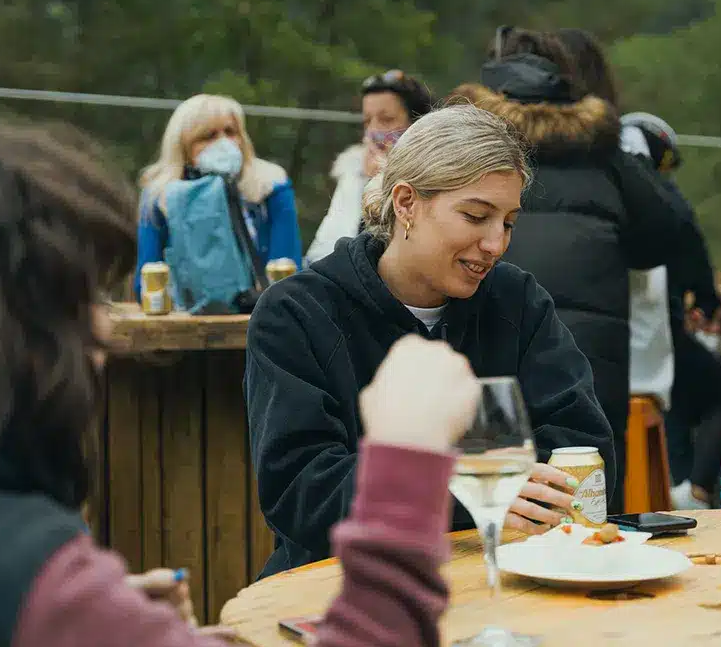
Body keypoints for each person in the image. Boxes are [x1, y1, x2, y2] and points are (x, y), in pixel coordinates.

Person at [0, 119, 486, 647]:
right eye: (80, 300)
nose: (104, 333)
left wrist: (112, 620)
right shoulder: (13, 576)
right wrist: (407, 464)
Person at [246, 104, 616, 576]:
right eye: (475, 216)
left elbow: (582, 447)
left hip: (508, 576)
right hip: (341, 586)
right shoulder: (296, 313)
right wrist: (461, 487)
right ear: (406, 204)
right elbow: (301, 493)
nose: (495, 244)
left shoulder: (518, 300)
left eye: (507, 222)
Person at [452, 27, 687, 513]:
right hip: (590, 351)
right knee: (589, 487)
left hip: (485, 335)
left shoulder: (464, 143)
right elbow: (666, 234)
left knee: (488, 491)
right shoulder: (602, 149)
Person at [621, 112, 721, 510]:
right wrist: (705, 298)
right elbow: (688, 240)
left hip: (603, 334)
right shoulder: (651, 191)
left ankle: (671, 492)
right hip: (652, 329)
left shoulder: (596, 178)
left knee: (670, 406)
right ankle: (696, 492)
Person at [135, 94, 302, 300]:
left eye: (231, 132)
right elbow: (145, 279)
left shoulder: (271, 185)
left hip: (262, 312)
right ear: (183, 147)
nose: (224, 143)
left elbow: (288, 269)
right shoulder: (158, 195)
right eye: (208, 136)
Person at [306, 70, 434, 264]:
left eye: (387, 119)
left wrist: (385, 180)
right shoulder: (353, 172)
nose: (373, 131)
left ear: (417, 125)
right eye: (367, 121)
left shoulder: (434, 181)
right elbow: (323, 248)